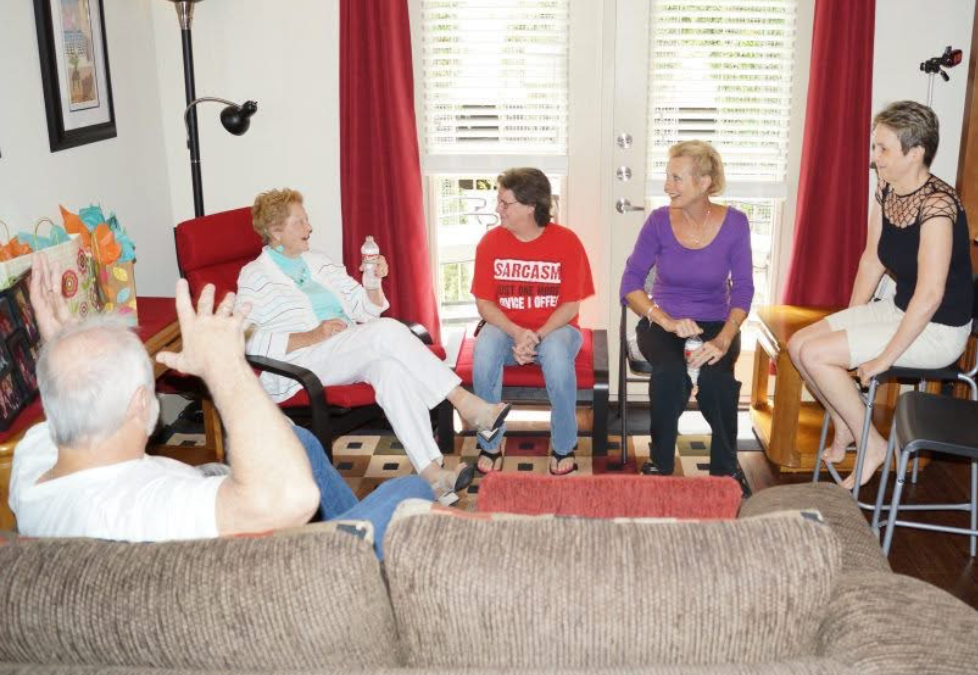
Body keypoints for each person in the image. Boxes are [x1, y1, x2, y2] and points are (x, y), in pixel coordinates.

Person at [9, 255, 442, 554]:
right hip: (281, 569)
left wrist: (59, 345)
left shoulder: (32, 463)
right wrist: (225, 368)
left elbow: (68, 391)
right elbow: (291, 497)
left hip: (218, 494)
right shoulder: (154, 505)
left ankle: (356, 535)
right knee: (408, 492)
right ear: (142, 404)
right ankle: (360, 560)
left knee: (299, 440)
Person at [238, 190, 509, 503]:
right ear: (275, 232)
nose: (309, 227)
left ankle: (433, 475)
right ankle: (464, 401)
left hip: (345, 349)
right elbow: (248, 339)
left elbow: (364, 309)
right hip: (301, 361)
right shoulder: (255, 277)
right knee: (385, 332)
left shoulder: (318, 262)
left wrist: (373, 281)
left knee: (390, 370)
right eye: (299, 222)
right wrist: (312, 334)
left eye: (307, 219)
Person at [786, 99, 975, 491]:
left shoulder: (939, 206)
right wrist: (848, 324)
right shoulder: (889, 188)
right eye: (875, 147)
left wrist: (881, 359)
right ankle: (846, 423)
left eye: (883, 149)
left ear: (916, 152)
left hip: (938, 328)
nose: (874, 159)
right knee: (801, 344)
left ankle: (873, 446)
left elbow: (930, 295)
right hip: (898, 308)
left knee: (819, 355)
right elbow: (872, 260)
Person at [619, 141, 754, 495]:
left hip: (716, 324)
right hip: (662, 323)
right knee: (671, 375)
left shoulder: (736, 224)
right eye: (668, 177)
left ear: (705, 182)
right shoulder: (659, 221)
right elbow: (630, 284)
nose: (667, 186)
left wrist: (724, 337)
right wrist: (664, 321)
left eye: (677, 179)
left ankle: (726, 471)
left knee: (717, 382)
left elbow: (742, 290)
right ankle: (660, 461)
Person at [469, 171, 595, 476]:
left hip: (555, 330)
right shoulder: (491, 242)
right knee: (484, 350)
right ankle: (490, 442)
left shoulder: (566, 242)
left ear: (529, 206)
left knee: (554, 355)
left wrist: (535, 336)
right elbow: (484, 303)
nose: (498, 208)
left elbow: (570, 305)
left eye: (505, 202)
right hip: (506, 328)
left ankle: (564, 444)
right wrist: (516, 332)